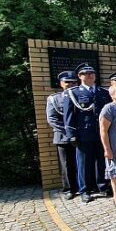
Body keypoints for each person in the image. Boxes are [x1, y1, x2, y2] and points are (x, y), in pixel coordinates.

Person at [62, 63, 111, 203]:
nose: (89, 75)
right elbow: (69, 116)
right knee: (84, 164)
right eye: (85, 73)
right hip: (84, 134)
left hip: (102, 133)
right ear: (79, 76)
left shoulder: (103, 92)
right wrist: (71, 135)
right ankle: (85, 190)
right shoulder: (73, 93)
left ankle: (102, 186)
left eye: (91, 73)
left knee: (102, 161)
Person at [46, 71, 79, 200]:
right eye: (67, 82)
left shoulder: (81, 96)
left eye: (74, 82)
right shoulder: (54, 98)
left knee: (82, 163)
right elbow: (52, 120)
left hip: (81, 136)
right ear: (61, 84)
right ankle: (69, 189)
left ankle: (85, 187)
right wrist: (70, 133)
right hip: (63, 137)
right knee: (66, 165)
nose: (71, 84)